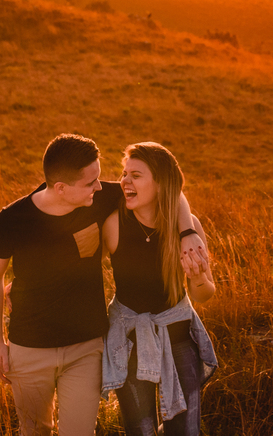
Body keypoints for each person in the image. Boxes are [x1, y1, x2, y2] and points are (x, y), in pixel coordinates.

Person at [0, 134, 207, 436]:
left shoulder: (98, 199)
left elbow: (170, 187)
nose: (102, 186)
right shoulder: (11, 220)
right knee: (34, 430)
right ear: (61, 188)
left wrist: (188, 231)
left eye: (100, 178)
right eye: (91, 182)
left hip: (85, 348)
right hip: (30, 347)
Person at [101, 142, 218, 436]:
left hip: (179, 337)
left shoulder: (187, 227)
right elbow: (78, 269)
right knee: (140, 429)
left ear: (160, 184)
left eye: (136, 175)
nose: (125, 181)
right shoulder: (114, 224)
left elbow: (203, 295)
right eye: (124, 173)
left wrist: (200, 276)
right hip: (128, 341)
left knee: (186, 430)